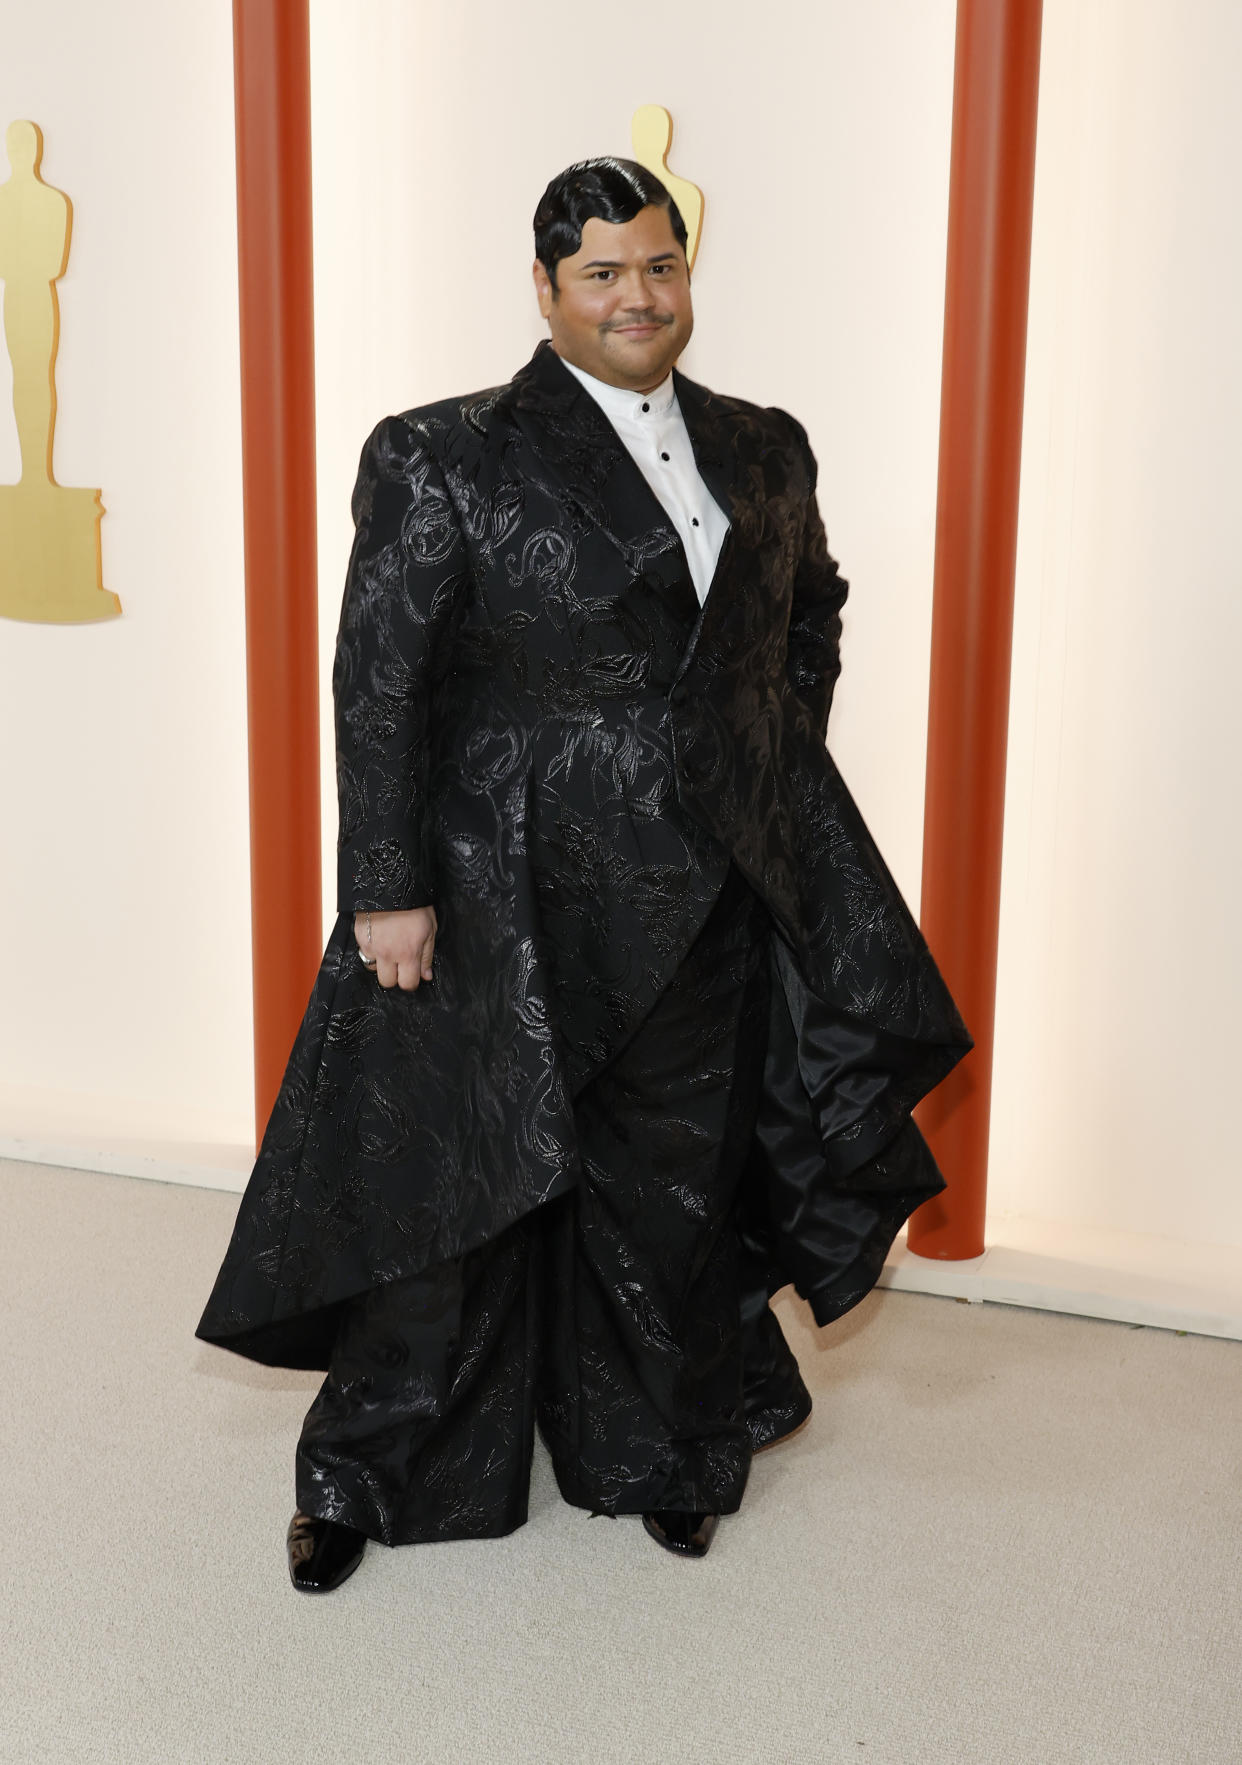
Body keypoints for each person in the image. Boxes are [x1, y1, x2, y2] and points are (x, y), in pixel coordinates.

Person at [196, 158, 970, 1593]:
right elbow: (381, 682)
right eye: (602, 271)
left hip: (703, 892)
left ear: (688, 275)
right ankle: (381, 1462)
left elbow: (809, 619)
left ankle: (661, 1448)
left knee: (670, 1181)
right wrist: (387, 883)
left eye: (658, 264)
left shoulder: (763, 446)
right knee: (457, 1182)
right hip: (496, 886)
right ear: (545, 290)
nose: (637, 294)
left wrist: (759, 763)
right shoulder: (443, 451)